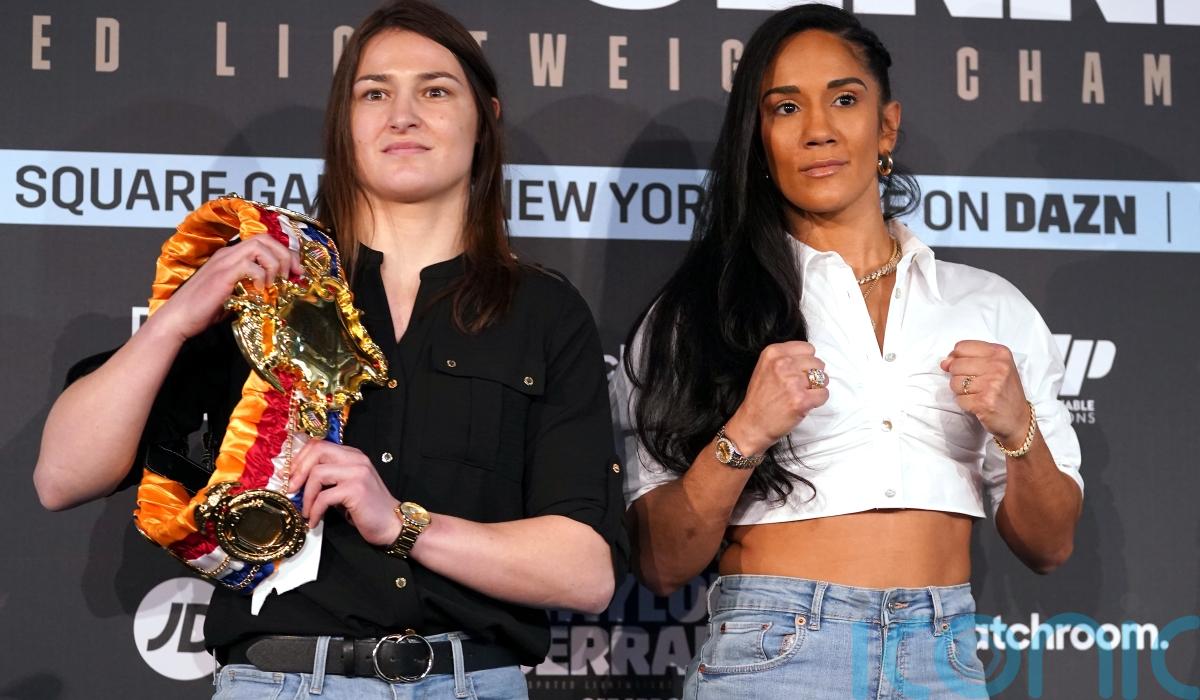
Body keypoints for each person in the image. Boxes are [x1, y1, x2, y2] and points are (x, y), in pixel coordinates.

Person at [34, 2, 623, 697]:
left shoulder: (544, 310)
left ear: (485, 118)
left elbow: (586, 573)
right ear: (343, 123)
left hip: (472, 682)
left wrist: (402, 524)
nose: (402, 116)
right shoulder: (267, 280)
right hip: (280, 681)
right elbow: (62, 477)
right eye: (374, 93)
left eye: (435, 90)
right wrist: (175, 321)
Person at [614, 5, 1083, 698]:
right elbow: (662, 563)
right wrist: (747, 431)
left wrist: (1019, 430)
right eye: (785, 108)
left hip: (940, 658)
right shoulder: (700, 313)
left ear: (886, 125)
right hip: (774, 654)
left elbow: (1050, 546)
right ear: (758, 140)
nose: (818, 130)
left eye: (843, 99)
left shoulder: (988, 305)